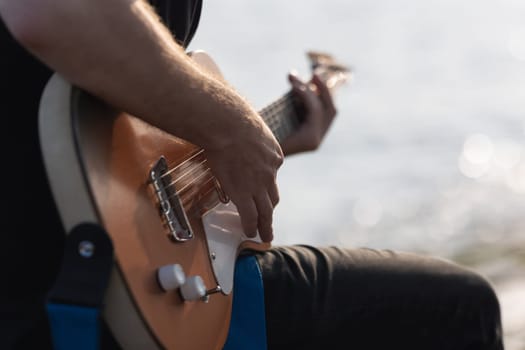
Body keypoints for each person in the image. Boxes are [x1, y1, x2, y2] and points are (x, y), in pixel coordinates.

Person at [0, 1, 504, 349]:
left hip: (118, 279)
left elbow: (131, 142)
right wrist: (232, 128)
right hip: (60, 299)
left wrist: (258, 144)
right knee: (462, 314)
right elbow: (49, 11)